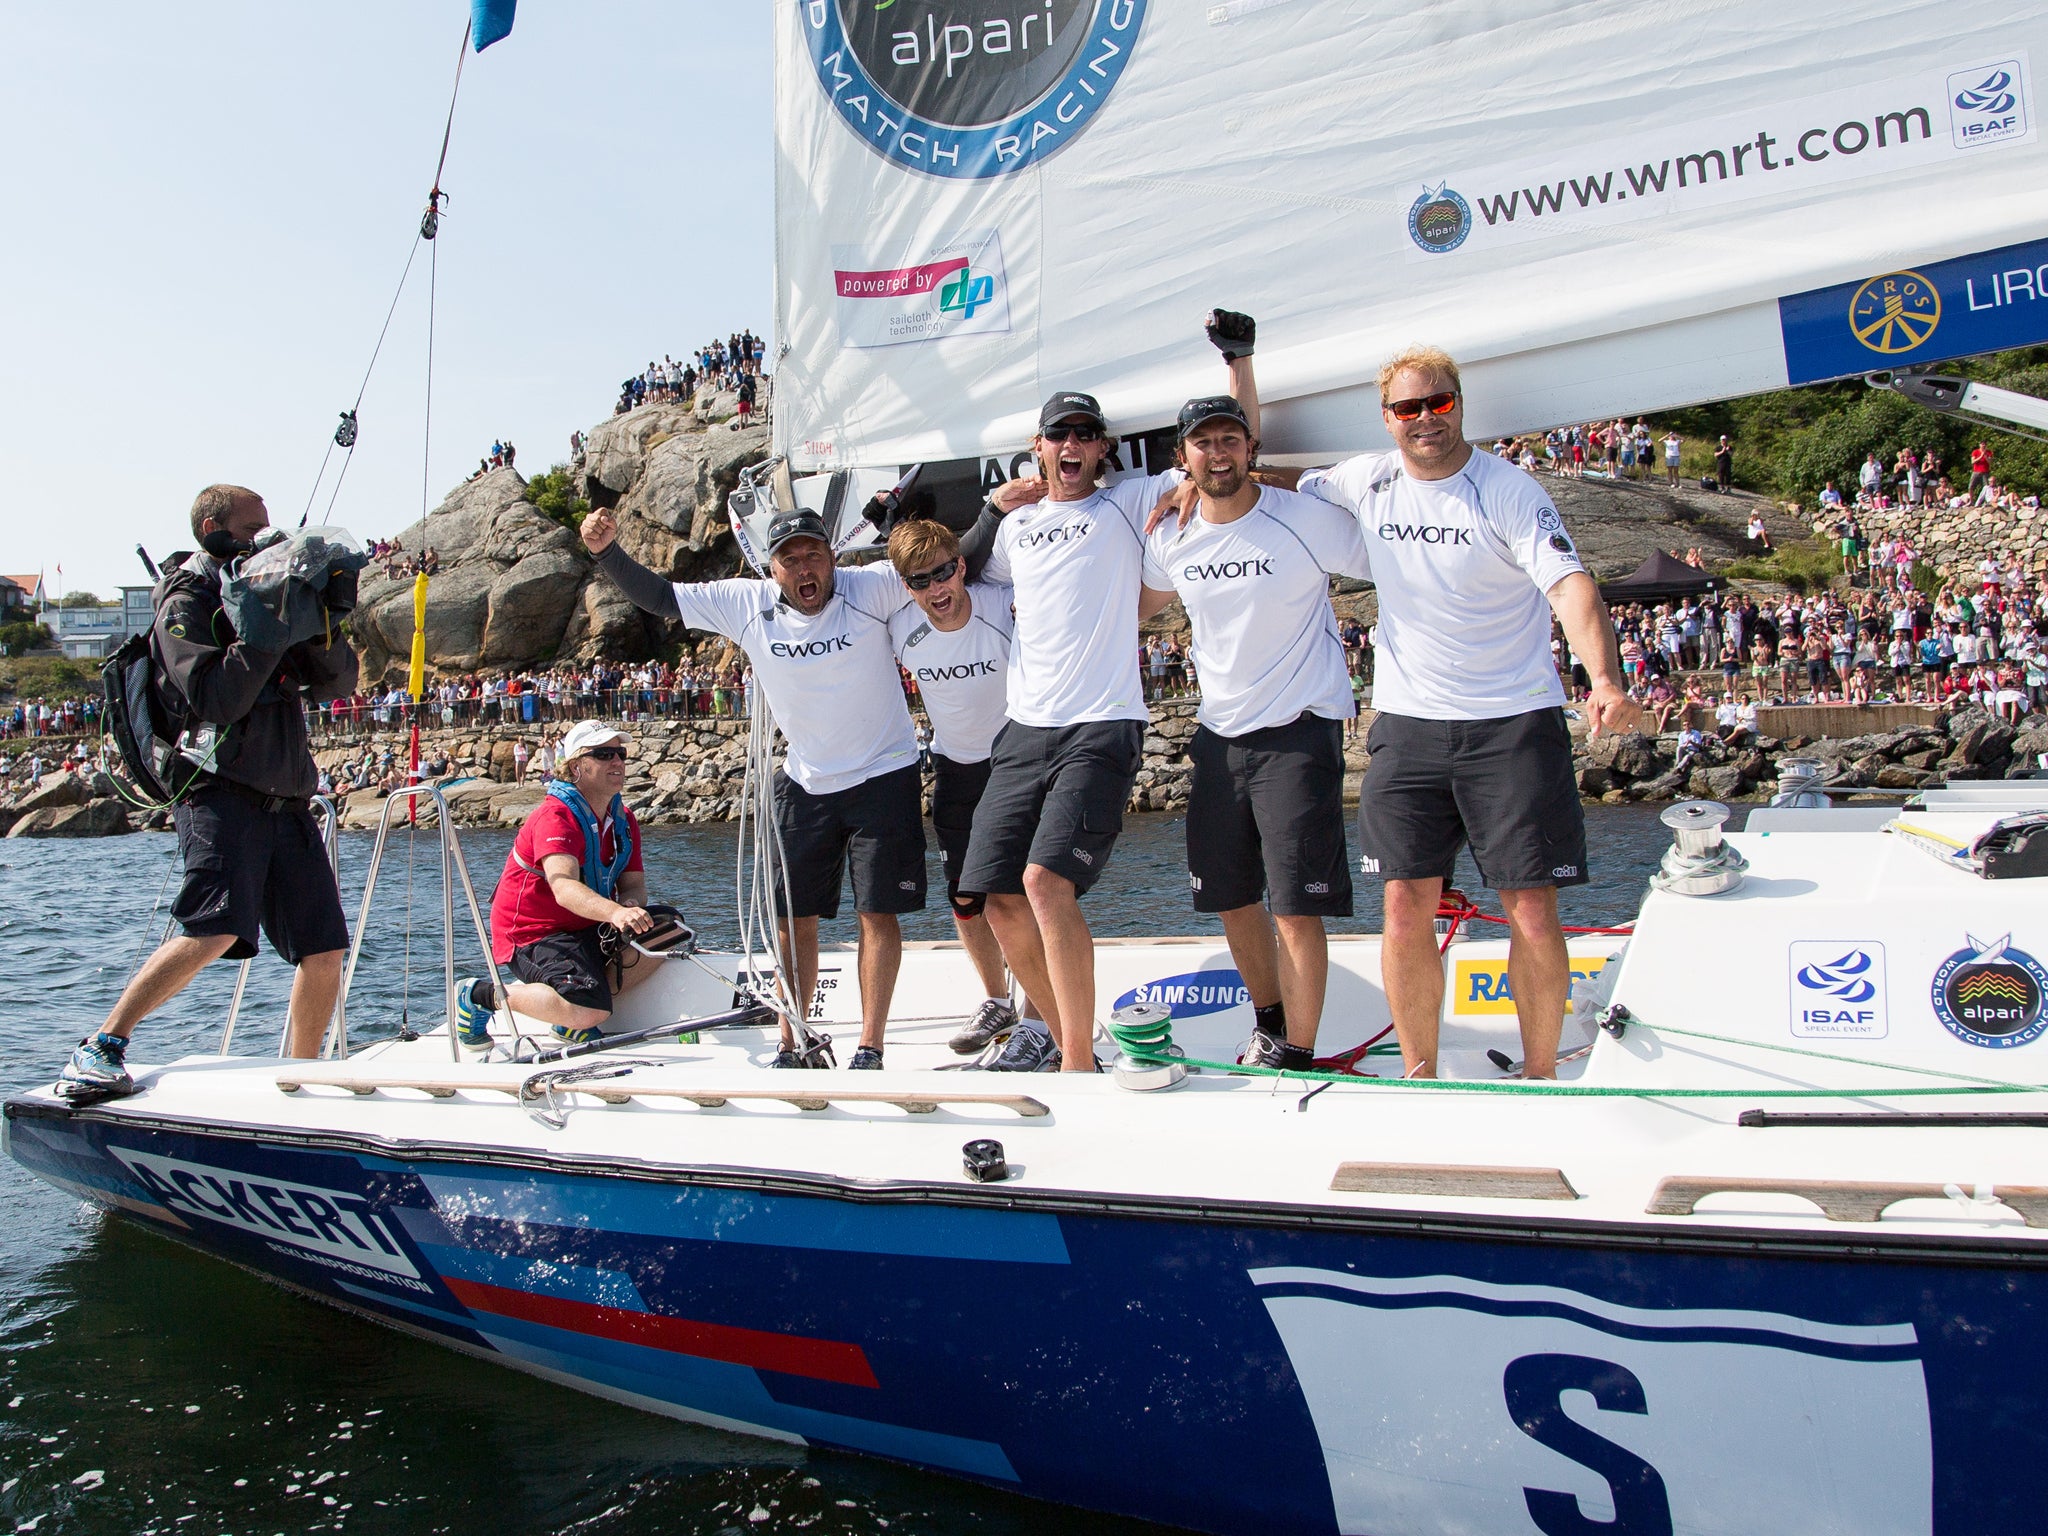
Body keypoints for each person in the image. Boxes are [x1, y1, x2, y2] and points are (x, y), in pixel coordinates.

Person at [1210, 345, 1638, 1079]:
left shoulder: (1508, 491)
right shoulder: (1365, 478)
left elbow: (1571, 586)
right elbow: (1271, 478)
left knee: (1531, 909)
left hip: (1513, 723)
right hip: (1409, 727)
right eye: (1408, 408)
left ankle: (1541, 1077)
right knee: (1405, 903)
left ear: (1460, 403)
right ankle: (1419, 1073)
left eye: (1438, 402)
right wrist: (1207, 489)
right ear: (1387, 419)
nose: (1425, 419)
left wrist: (1605, 680)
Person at [582, 504, 935, 1070]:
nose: (804, 567)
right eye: (790, 559)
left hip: (883, 774)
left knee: (877, 912)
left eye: (813, 554)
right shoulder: (745, 603)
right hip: (805, 781)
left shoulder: (870, 587)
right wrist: (605, 553)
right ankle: (795, 1041)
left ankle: (870, 1047)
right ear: (772, 568)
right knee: (792, 919)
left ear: (832, 556)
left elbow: (943, 562)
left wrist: (995, 511)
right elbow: (660, 598)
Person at [58, 485, 360, 1102]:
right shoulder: (188, 599)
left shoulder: (269, 593)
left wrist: (321, 619)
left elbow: (335, 685)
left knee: (325, 949)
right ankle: (102, 1044)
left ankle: (299, 1075)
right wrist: (261, 634)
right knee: (213, 928)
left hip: (288, 798)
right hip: (219, 792)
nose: (264, 541)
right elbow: (215, 697)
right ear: (212, 526)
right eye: (252, 529)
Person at [1139, 390, 1372, 1072]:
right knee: (1231, 896)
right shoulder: (1169, 532)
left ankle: (1298, 1051)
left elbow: (1387, 548)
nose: (1219, 452)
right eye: (1203, 443)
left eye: (1231, 439)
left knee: (1297, 906)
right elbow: (1140, 602)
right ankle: (1270, 1025)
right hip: (1219, 736)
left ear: (1251, 447)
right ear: (1183, 457)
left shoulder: (1302, 518)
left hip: (1299, 728)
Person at [959, 390, 1180, 1073]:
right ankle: (1062, 1037)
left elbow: (1220, 455)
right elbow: (959, 572)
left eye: (1088, 434)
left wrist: (1238, 367)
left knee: (1045, 883)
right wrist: (991, 509)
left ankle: (1077, 1062)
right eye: (1062, 434)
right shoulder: (1016, 525)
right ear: (1040, 445)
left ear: (1104, 448)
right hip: (1024, 729)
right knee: (991, 897)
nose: (1074, 445)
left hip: (1103, 721)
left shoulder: (1128, 500)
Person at [883, 518, 1046, 1055]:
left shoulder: (1001, 605)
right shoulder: (900, 626)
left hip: (1018, 764)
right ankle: (997, 1001)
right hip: (954, 768)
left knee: (1029, 894)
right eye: (922, 581)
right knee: (965, 899)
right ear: (906, 587)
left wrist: (997, 508)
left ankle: (1039, 1015)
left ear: (962, 567)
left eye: (945, 573)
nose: (938, 590)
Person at [460, 721, 664, 1047]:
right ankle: (479, 995)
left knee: (666, 932)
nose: (617, 761)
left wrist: (629, 906)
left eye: (620, 753)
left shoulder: (623, 819)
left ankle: (570, 1012)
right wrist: (614, 913)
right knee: (590, 1010)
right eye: (603, 754)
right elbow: (564, 887)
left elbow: (634, 885)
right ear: (575, 766)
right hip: (532, 933)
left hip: (586, 925)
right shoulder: (555, 817)